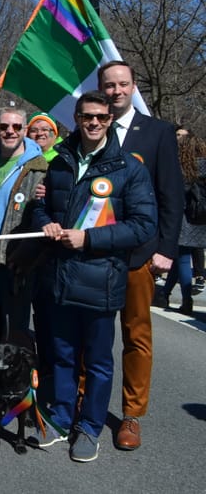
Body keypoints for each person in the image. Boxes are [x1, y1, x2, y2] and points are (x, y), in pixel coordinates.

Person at [27, 91, 156, 462]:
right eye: (87, 117)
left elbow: (143, 225)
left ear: (109, 120)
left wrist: (90, 237)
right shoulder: (61, 162)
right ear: (77, 119)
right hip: (61, 277)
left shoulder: (129, 168)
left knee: (98, 361)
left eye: (101, 117)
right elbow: (41, 206)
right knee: (63, 356)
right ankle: (63, 417)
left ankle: (90, 427)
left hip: (102, 280)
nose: (94, 123)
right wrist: (46, 223)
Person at [99, 61, 183, 451]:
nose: (116, 91)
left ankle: (131, 414)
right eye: (109, 85)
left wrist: (166, 249)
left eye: (122, 85)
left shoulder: (158, 132)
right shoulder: (89, 129)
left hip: (139, 254)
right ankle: (88, 404)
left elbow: (172, 195)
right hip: (96, 252)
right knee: (93, 335)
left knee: (136, 336)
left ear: (133, 87)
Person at [0, 107, 47, 339]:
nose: (10, 131)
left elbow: (42, 214)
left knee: (14, 328)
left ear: (25, 130)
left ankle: (16, 375)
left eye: (17, 127)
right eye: (4, 126)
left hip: (16, 258)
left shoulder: (40, 168)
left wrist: (26, 256)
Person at [162, 133, 206, 315]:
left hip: (184, 218)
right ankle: (165, 293)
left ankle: (186, 298)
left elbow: (178, 196)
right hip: (201, 219)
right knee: (178, 259)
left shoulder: (184, 169)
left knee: (181, 258)